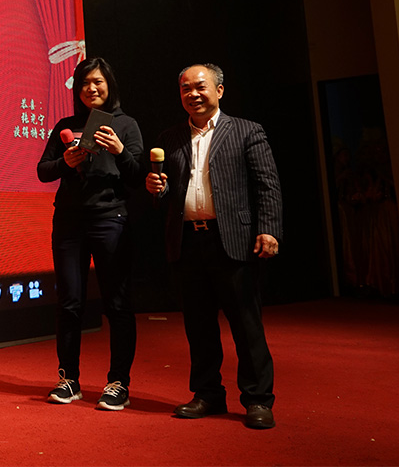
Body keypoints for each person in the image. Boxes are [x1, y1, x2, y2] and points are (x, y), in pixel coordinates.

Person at [145, 63, 282, 430]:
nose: (193, 94)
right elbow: (167, 195)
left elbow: (267, 184)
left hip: (232, 240)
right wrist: (157, 190)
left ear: (219, 90)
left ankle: (258, 399)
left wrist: (269, 230)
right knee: (199, 326)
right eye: (185, 88)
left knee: (246, 325)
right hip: (187, 241)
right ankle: (208, 394)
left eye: (200, 86)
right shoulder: (170, 137)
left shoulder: (246, 131)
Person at [37, 57, 144, 411]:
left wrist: (119, 150)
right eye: (84, 83)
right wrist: (64, 163)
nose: (91, 88)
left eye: (98, 82)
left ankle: (118, 382)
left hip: (111, 219)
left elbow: (137, 175)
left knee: (117, 303)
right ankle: (69, 379)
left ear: (109, 85)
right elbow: (43, 170)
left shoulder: (125, 125)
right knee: (69, 302)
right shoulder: (65, 126)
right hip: (69, 223)